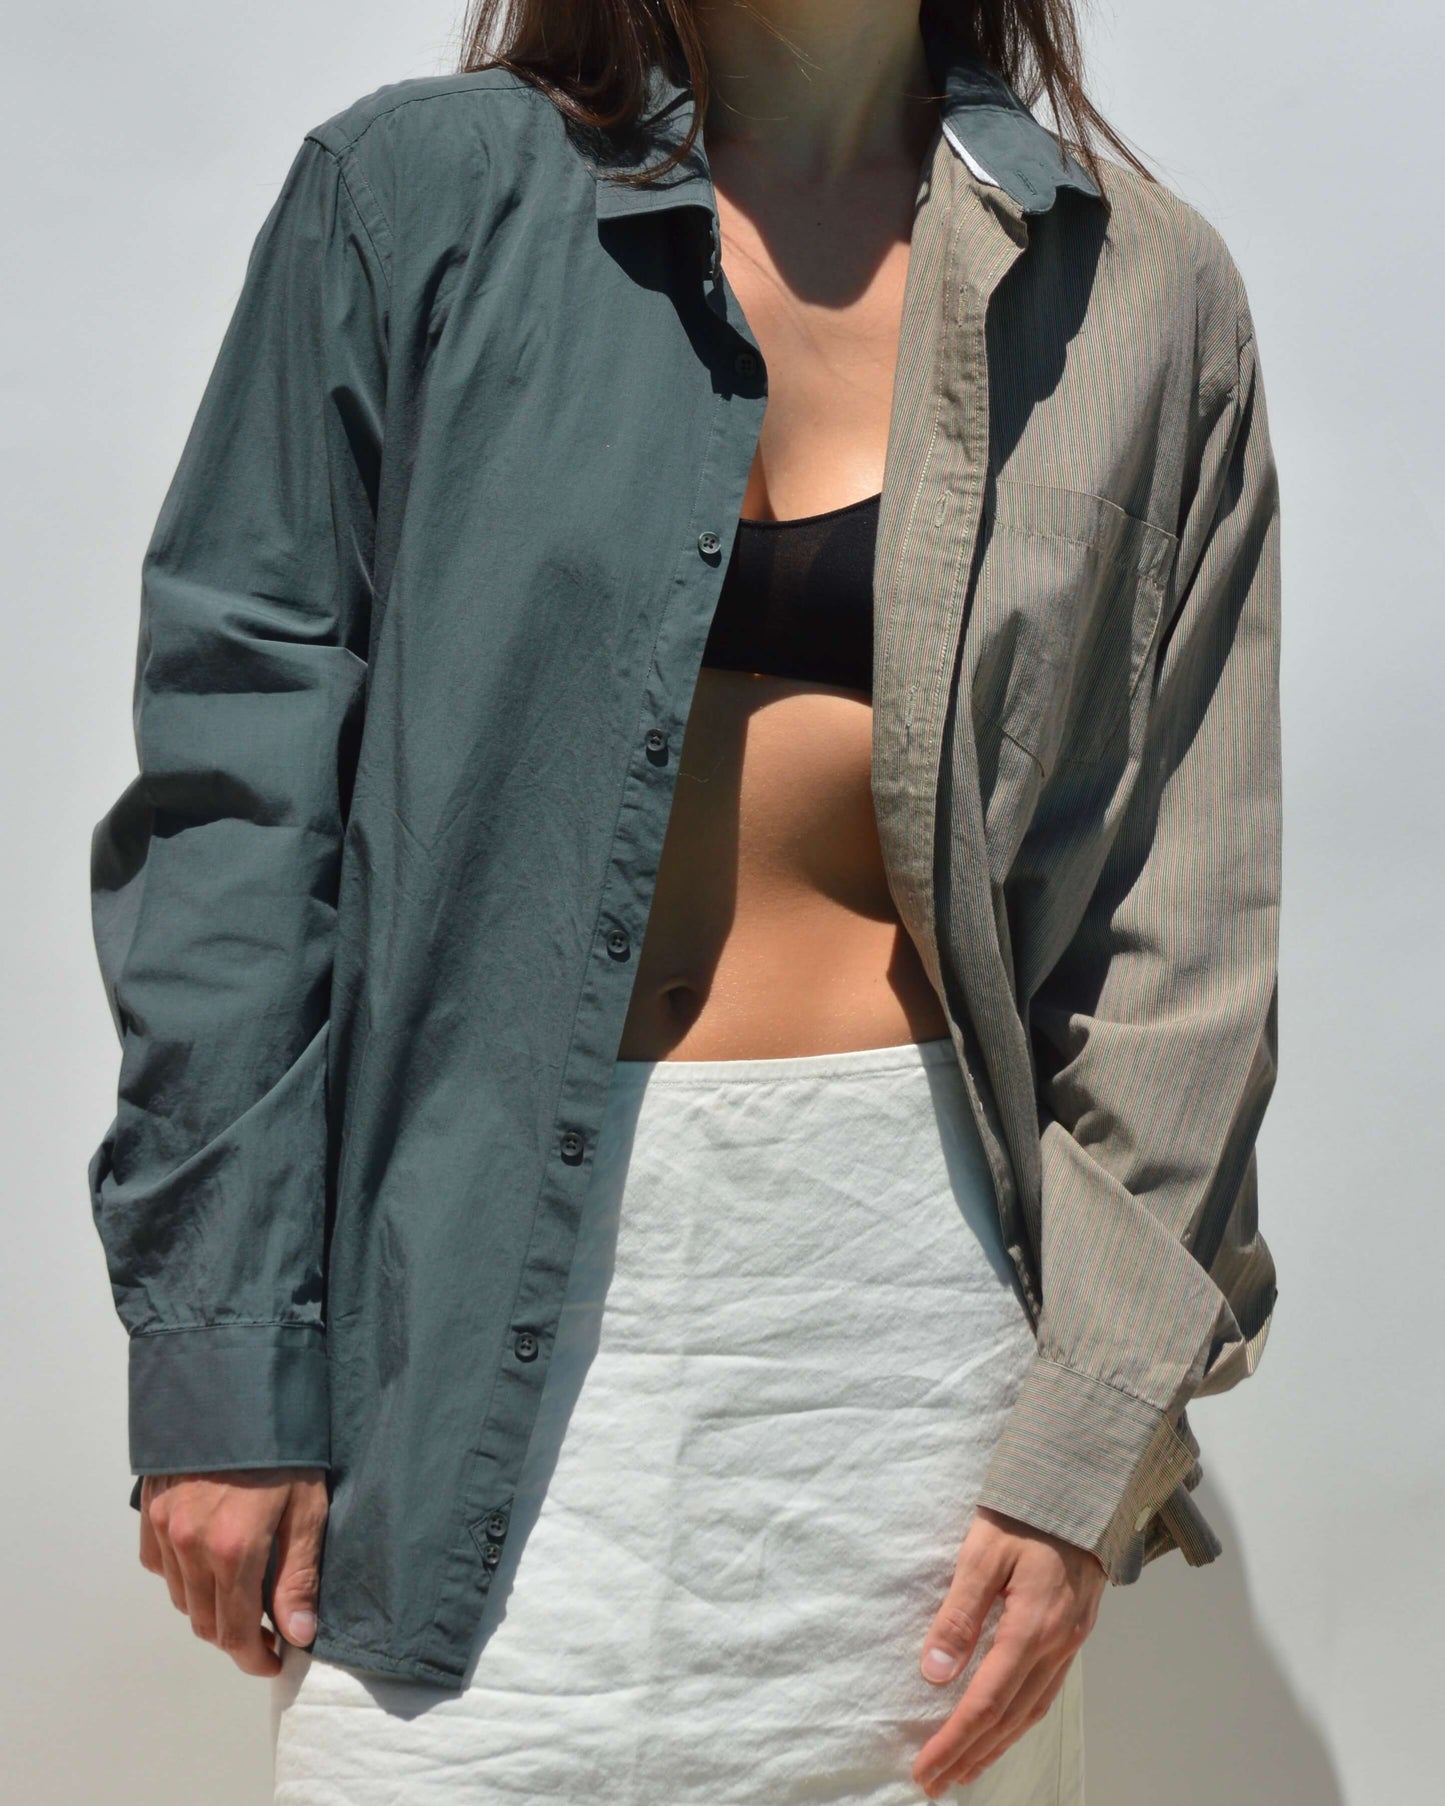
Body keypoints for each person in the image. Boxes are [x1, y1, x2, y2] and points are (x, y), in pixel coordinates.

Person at [86, 1, 1283, 1800]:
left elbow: (1174, 929)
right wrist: (227, 1363)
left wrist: (1087, 1449)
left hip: (915, 1369)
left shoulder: (1138, 292)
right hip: (459, 1333)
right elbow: (236, 816)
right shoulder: (410, 201)